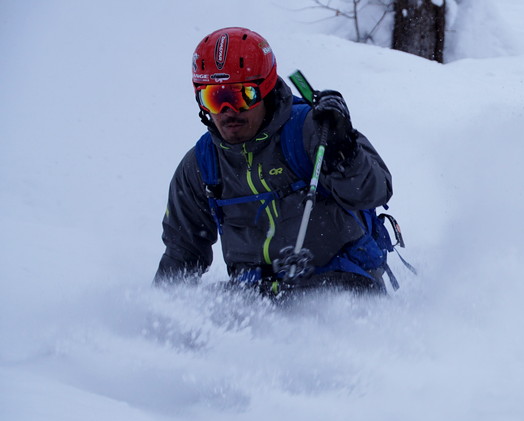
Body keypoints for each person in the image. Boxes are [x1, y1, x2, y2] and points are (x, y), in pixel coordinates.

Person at [154, 27, 393, 296]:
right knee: (210, 306)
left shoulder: (311, 131)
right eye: (214, 98)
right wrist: (159, 315)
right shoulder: (201, 165)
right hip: (257, 298)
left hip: (340, 285)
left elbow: (375, 191)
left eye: (242, 96)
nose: (228, 111)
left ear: (265, 89)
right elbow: (182, 251)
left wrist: (344, 151)